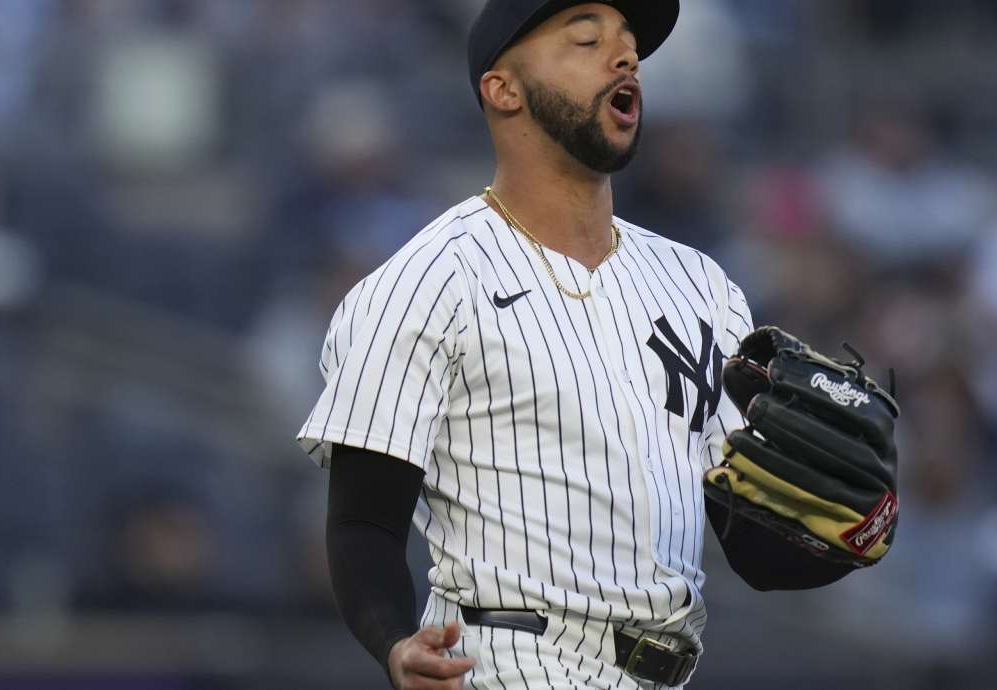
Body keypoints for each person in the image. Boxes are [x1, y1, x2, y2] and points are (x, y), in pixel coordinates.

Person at [297, 2, 865, 687]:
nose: (624, 57)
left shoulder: (700, 285)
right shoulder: (429, 282)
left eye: (628, 45)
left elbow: (747, 542)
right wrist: (394, 644)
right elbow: (364, 524)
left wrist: (844, 531)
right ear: (503, 89)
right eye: (588, 39)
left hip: (668, 670)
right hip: (507, 661)